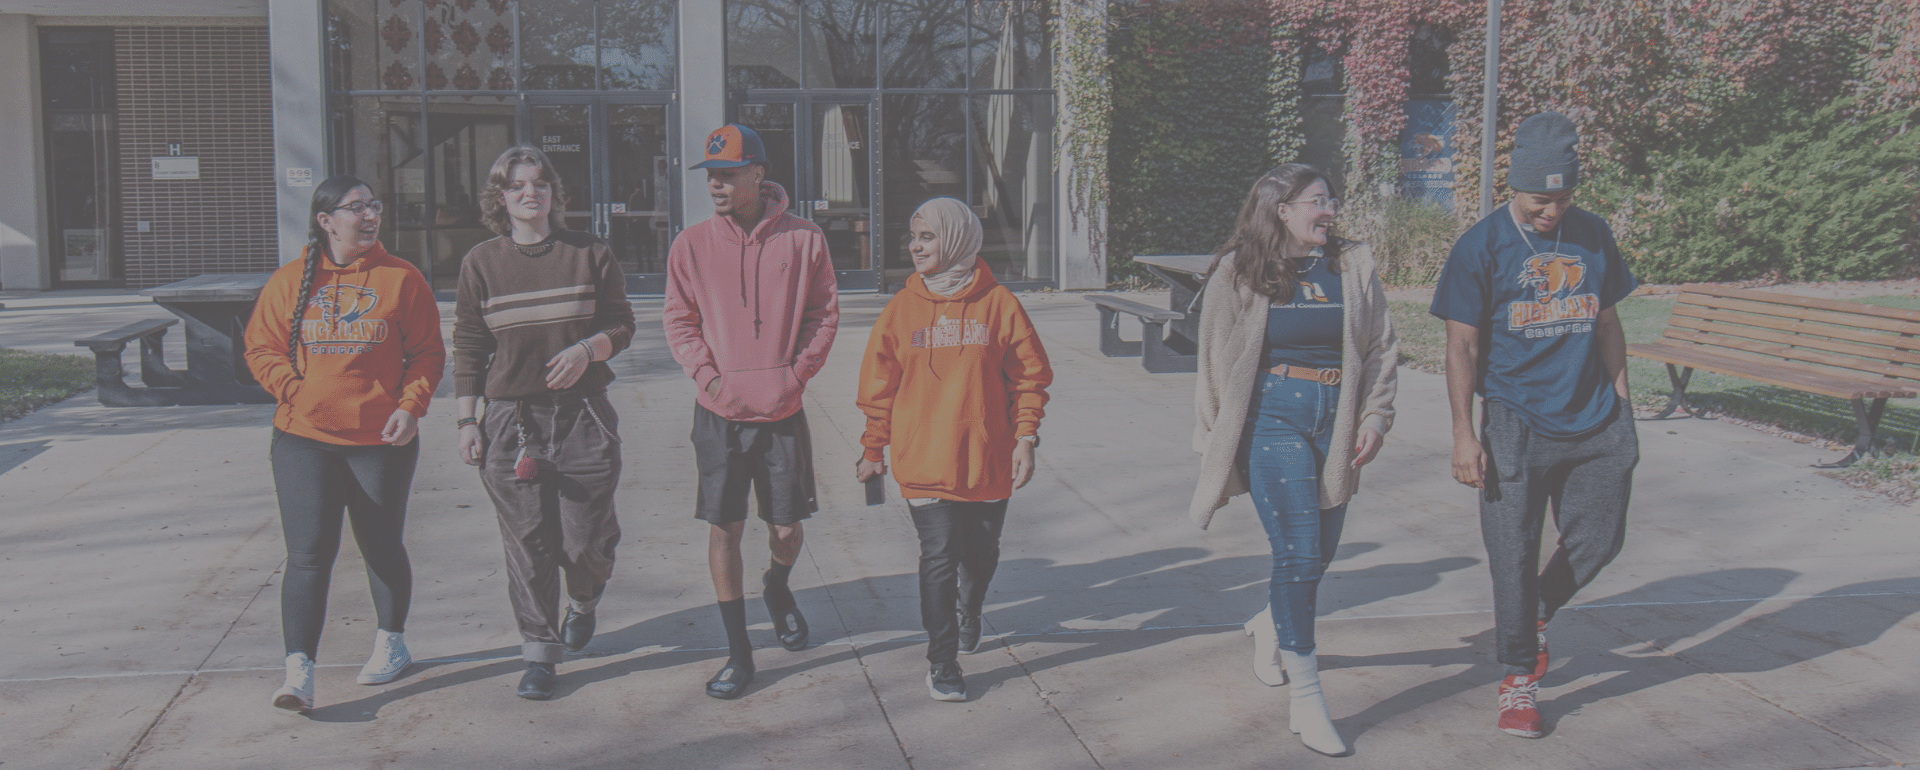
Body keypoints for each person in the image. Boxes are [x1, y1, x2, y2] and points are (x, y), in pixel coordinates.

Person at [1429, 111, 1640, 739]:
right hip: (1514, 425)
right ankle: (1519, 680)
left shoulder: (1593, 235)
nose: (1552, 212)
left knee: (1600, 540)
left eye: (1562, 198)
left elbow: (1608, 324)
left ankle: (1536, 612)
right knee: (1512, 556)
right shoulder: (1480, 246)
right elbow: (1461, 347)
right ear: (1513, 188)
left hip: (1596, 419)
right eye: (1539, 200)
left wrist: (1625, 410)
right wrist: (1465, 435)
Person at [1189, 163, 1399, 756]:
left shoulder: (1352, 264)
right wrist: (1213, 438)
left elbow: (1381, 344)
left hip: (1337, 417)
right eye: (1316, 202)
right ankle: (1307, 700)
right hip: (1271, 416)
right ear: (1281, 210)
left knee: (1318, 556)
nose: (1329, 211)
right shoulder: (1241, 270)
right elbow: (1212, 357)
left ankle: (1267, 624)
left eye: (1331, 201)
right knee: (1300, 553)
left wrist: (1376, 415)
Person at [243, 175, 446, 712]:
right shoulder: (290, 282)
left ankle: (391, 642)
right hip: (303, 440)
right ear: (326, 220)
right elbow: (261, 349)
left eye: (373, 206)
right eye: (355, 207)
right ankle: (298, 672)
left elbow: (427, 353)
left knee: (380, 545)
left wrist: (411, 407)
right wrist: (296, 391)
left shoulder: (402, 279)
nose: (369, 215)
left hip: (380, 438)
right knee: (308, 555)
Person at [452, 146, 635, 701]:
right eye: (516, 186)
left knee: (583, 544)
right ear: (500, 199)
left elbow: (622, 324)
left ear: (554, 193)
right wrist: (467, 420)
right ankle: (539, 653)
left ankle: (584, 599)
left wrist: (588, 349)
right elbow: (468, 344)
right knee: (528, 544)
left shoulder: (590, 253)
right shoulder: (480, 263)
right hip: (512, 422)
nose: (529, 193)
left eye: (539, 184)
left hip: (582, 418)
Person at [664, 123, 839, 700]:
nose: (715, 183)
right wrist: (709, 378)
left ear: (758, 175)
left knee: (786, 528)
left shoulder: (805, 238)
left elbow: (823, 315)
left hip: (781, 408)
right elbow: (680, 321)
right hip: (718, 412)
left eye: (728, 172)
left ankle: (778, 586)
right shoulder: (690, 245)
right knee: (725, 528)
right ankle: (739, 654)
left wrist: (794, 375)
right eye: (710, 173)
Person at [854, 198, 1053, 703]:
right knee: (938, 557)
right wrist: (873, 447)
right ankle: (942, 663)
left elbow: (1029, 377)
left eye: (928, 237)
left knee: (981, 554)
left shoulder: (1000, 303)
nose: (915, 247)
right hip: (924, 460)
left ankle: (971, 606)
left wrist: (1026, 437)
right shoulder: (902, 309)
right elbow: (878, 385)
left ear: (959, 240)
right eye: (913, 237)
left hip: (988, 456)